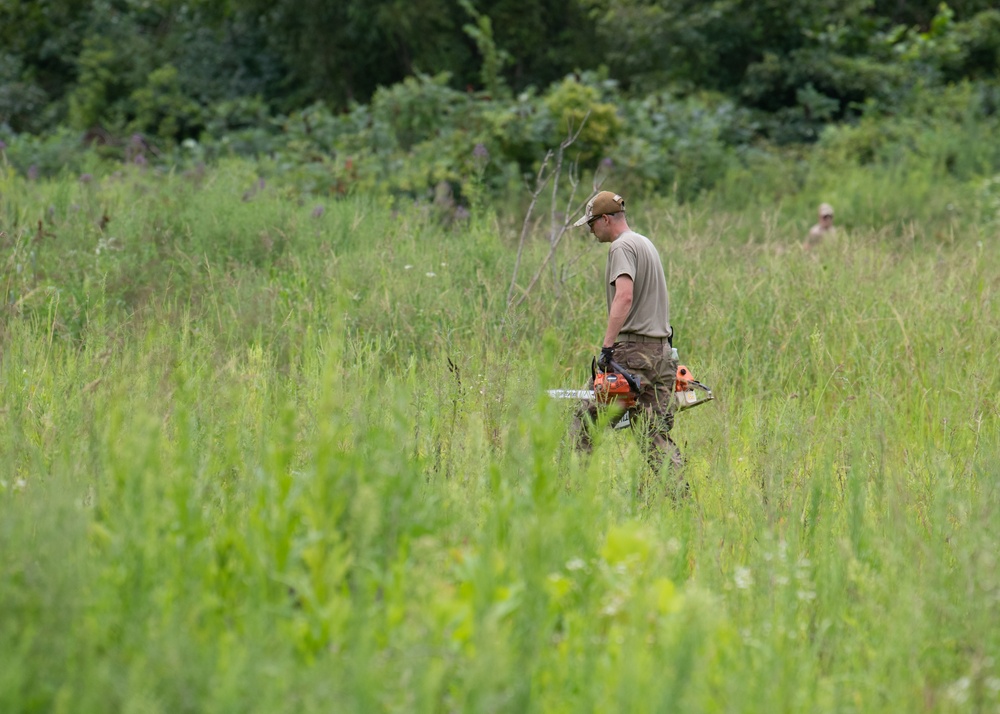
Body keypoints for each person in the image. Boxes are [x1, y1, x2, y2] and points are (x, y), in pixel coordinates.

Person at [570, 190, 683, 482]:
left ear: (606, 219)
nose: (591, 230)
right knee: (652, 435)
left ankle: (568, 493)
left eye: (591, 224)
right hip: (661, 355)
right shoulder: (646, 244)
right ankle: (681, 500)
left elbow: (624, 296)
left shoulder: (621, 247)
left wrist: (608, 348)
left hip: (632, 355)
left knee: (584, 424)